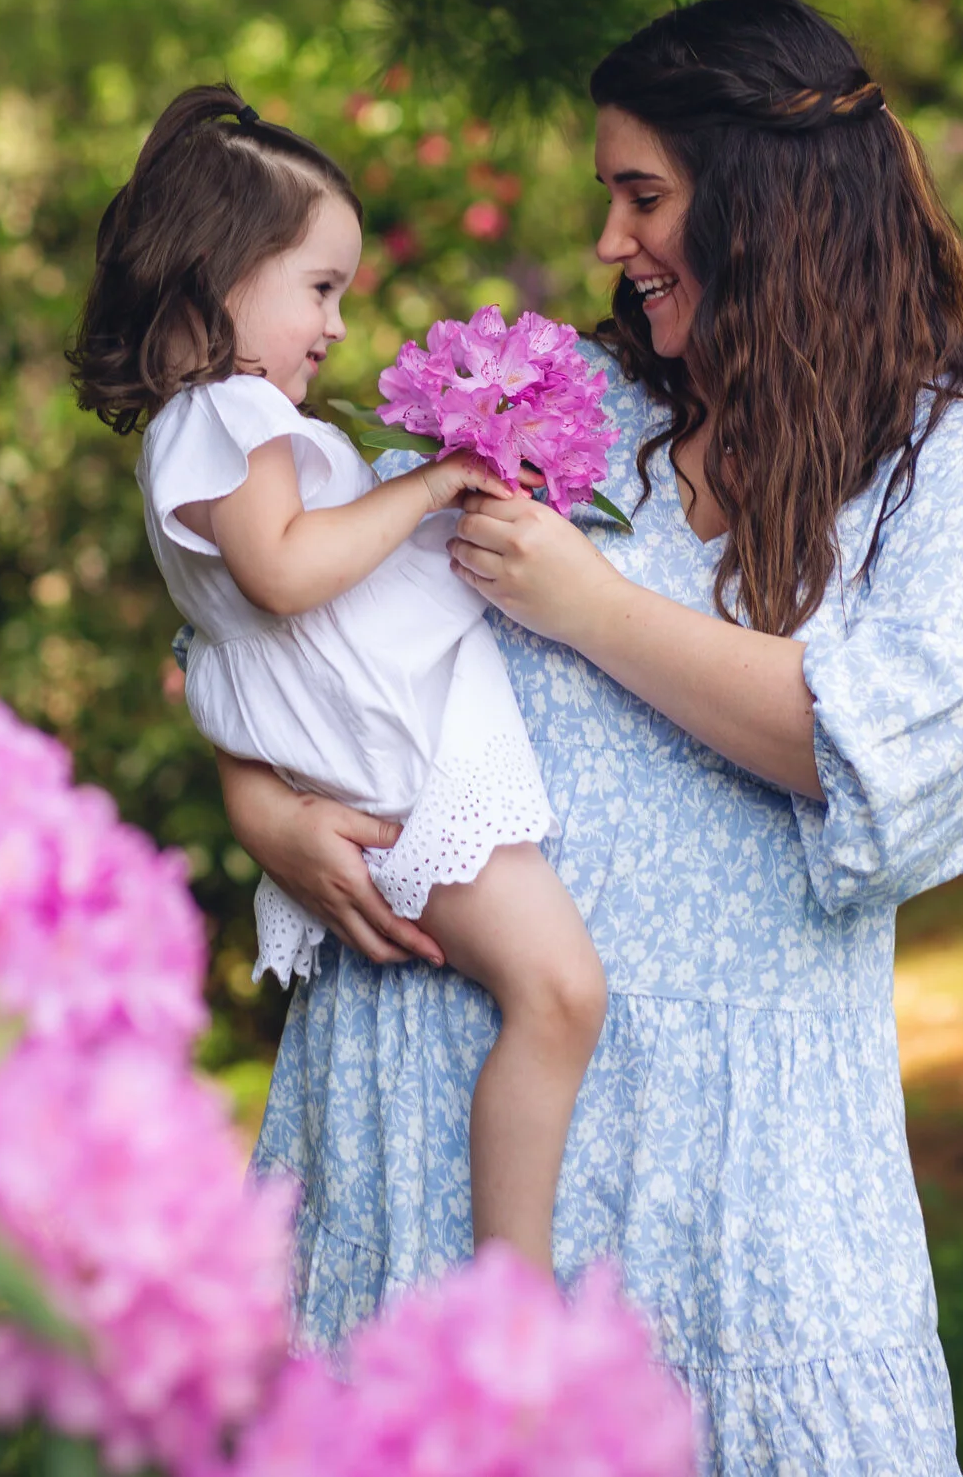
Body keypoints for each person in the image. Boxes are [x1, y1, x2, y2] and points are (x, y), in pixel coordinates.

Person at [225, 0, 963, 1473]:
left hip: (725, 1159)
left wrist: (590, 604)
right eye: (608, 198)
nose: (614, 243)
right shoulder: (565, 414)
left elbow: (879, 749)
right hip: (424, 1105)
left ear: (770, 203)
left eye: (647, 195)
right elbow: (300, 612)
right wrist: (264, 807)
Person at [70, 84, 608, 1271]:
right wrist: (423, 485)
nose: (334, 326)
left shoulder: (225, 420)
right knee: (561, 994)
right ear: (219, 276)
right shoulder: (225, 410)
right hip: (398, 773)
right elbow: (283, 570)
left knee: (555, 996)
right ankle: (512, 1285)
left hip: (383, 756)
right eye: (319, 288)